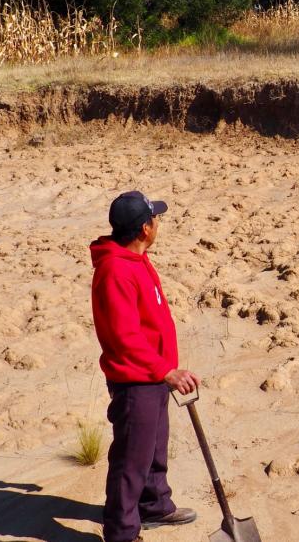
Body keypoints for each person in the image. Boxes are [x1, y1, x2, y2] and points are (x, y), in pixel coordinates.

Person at [90, 190, 200, 542]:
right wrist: (164, 370)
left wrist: (164, 370)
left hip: (152, 375)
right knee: (130, 459)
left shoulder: (137, 258)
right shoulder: (115, 271)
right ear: (144, 230)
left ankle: (153, 503)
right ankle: (122, 531)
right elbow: (125, 337)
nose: (159, 223)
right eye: (155, 218)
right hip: (135, 379)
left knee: (153, 446)